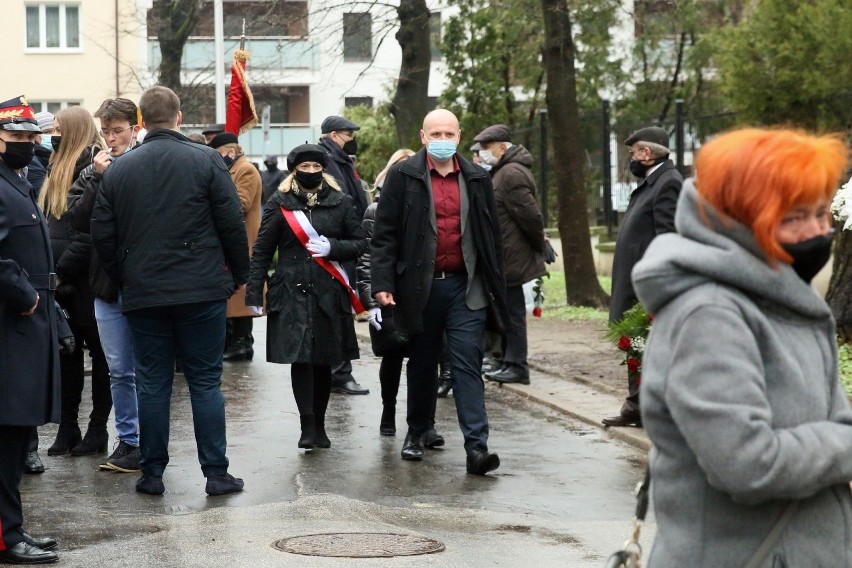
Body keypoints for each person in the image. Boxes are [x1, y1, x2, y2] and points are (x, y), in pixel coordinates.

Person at [632, 128, 851, 567]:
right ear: (741, 220)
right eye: (793, 218)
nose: (816, 233)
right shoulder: (710, 315)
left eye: (821, 214)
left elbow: (836, 419)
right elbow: (748, 464)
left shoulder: (789, 302)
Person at [91, 86, 249, 496]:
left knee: (153, 382)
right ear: (179, 118)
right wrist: (239, 275)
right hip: (201, 290)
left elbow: (102, 235)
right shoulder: (208, 160)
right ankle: (215, 473)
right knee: (205, 382)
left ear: (141, 122)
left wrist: (125, 276)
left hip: (145, 292)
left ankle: (152, 473)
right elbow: (231, 221)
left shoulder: (120, 169)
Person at [370, 109, 508, 475]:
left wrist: (498, 282)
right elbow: (384, 235)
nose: (443, 140)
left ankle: (477, 448)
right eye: (436, 133)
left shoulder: (477, 177)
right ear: (423, 136)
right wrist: (382, 284)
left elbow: (491, 235)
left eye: (449, 133)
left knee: (467, 365)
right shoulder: (404, 175)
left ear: (459, 136)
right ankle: (416, 432)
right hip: (420, 288)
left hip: (467, 288)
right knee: (422, 363)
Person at [246, 144, 367, 449]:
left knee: (324, 358)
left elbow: (359, 243)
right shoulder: (279, 202)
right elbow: (262, 249)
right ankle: (307, 426)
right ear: (294, 169)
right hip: (291, 291)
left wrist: (333, 248)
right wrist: (254, 291)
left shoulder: (341, 202)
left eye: (316, 167)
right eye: (305, 167)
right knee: (300, 359)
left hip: (329, 291)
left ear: (323, 169)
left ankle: (322, 426)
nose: (311, 172)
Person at [0, 95, 62, 564]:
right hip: (11, 324)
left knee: (18, 435)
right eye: (15, 137)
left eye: (29, 137)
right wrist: (27, 296)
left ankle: (13, 528)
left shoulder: (15, 182)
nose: (25, 144)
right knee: (7, 437)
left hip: (27, 324)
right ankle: (7, 536)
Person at [66, 97, 142, 473]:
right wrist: (97, 176)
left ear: (135, 127)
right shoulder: (93, 168)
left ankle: (148, 440)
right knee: (118, 369)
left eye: (119, 130)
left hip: (147, 282)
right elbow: (78, 219)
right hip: (107, 284)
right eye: (107, 131)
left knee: (148, 367)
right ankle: (128, 440)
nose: (112, 138)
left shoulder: (148, 161)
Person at [39, 106, 114, 458]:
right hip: (64, 279)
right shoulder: (58, 164)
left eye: (57, 128)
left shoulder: (91, 167)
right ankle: (68, 426)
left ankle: (98, 428)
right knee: (67, 356)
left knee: (100, 357)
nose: (52, 133)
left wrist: (63, 270)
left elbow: (88, 230)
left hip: (87, 280)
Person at [358, 148, 446, 442]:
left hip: (423, 294)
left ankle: (426, 424)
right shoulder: (375, 211)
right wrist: (372, 301)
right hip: (388, 295)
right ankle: (388, 410)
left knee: (426, 358)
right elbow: (368, 259)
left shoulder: (431, 207)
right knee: (392, 356)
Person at [602, 126, 682, 428]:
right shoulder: (653, 180)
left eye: (634, 152)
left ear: (646, 154)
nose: (632, 158)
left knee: (646, 344)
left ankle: (650, 408)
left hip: (648, 285)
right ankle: (637, 405)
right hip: (636, 281)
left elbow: (668, 236)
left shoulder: (668, 183)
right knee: (636, 344)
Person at [474, 124, 546, 386]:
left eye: (486, 148)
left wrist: (538, 244)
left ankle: (517, 366)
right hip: (506, 254)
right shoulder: (503, 171)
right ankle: (508, 361)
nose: (482, 153)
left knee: (513, 313)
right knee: (507, 312)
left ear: (502, 148)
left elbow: (531, 216)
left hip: (512, 256)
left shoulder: (511, 173)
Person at [318, 115, 370, 395]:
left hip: (346, 242)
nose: (353, 140)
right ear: (334, 135)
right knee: (339, 312)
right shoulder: (329, 161)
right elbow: (342, 201)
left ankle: (336, 371)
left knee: (341, 311)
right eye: (349, 135)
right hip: (338, 245)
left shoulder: (341, 160)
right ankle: (340, 373)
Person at [209, 132, 263, 361]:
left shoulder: (246, 170)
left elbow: (241, 203)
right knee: (234, 295)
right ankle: (235, 341)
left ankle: (242, 342)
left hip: (245, 238)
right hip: (235, 237)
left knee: (241, 295)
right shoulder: (233, 169)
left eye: (219, 153)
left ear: (231, 151)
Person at [25, 111, 54, 197]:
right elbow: (42, 195)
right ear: (34, 135)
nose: (52, 135)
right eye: (47, 132)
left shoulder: (51, 156)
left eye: (56, 131)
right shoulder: (31, 160)